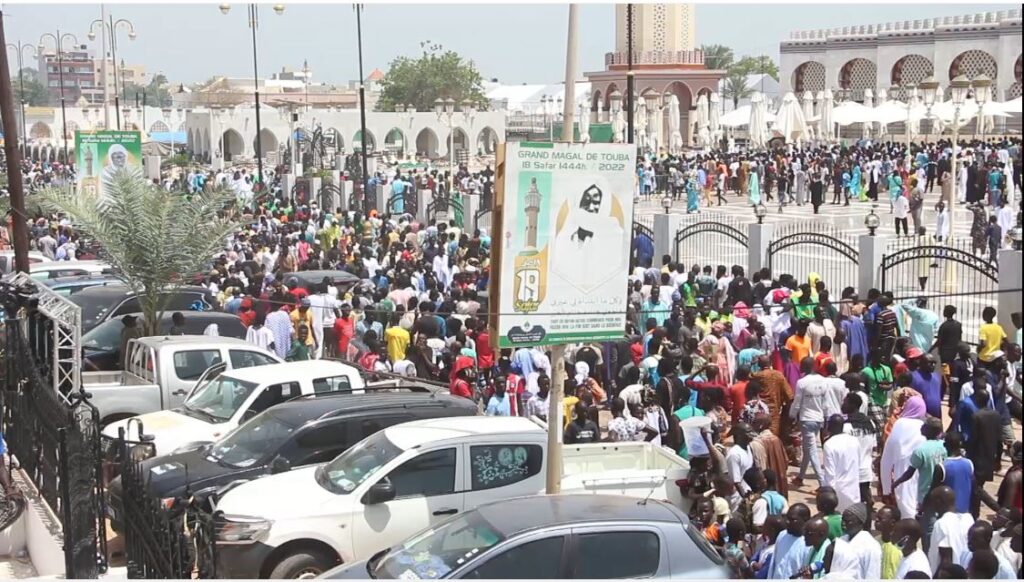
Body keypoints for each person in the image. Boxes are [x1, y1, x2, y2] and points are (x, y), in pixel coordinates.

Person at [881, 396, 927, 520]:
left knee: (905, 501)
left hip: (903, 468)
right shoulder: (925, 424)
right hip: (923, 469)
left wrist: (886, 488)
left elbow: (887, 456)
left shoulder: (900, 423)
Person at [893, 417, 947, 520]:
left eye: (924, 426)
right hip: (943, 491)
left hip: (925, 493)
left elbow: (910, 473)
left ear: (928, 430)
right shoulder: (944, 446)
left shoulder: (920, 450)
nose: (921, 427)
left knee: (928, 523)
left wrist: (897, 482)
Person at [791, 357, 827, 487]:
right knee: (807, 448)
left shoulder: (801, 382)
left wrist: (792, 415)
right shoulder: (823, 381)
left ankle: (822, 484)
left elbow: (797, 402)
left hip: (806, 419)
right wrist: (825, 417)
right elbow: (825, 402)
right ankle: (800, 477)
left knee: (812, 450)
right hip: (818, 419)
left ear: (805, 367)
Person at [928, 485, 974, 574]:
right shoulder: (968, 519)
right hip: (965, 573)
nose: (931, 505)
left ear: (938, 501)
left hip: (949, 575)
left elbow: (945, 560)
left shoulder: (941, 524)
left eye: (932, 501)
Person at [822, 413, 862, 513]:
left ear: (829, 427)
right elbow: (858, 463)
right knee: (853, 516)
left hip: (838, 490)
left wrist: (829, 494)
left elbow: (830, 474)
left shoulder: (829, 444)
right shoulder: (854, 440)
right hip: (853, 487)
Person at [768, 503, 811, 579]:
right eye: (787, 518)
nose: (787, 522)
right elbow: (773, 564)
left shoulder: (809, 544)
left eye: (792, 520)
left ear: (805, 519)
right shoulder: (782, 535)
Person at [841, 502, 882, 579]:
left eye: (848, 521)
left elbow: (872, 575)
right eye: (842, 520)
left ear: (860, 523)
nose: (843, 524)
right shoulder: (842, 540)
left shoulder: (870, 546)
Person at [726, 422, 755, 495]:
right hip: (738, 496)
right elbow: (736, 482)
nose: (751, 434)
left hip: (748, 490)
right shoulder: (734, 454)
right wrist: (746, 498)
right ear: (739, 435)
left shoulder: (748, 447)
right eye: (748, 432)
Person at [876, 505, 904, 579]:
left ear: (892, 522)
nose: (876, 520)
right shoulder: (874, 543)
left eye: (880, 518)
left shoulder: (902, 547)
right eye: (876, 517)